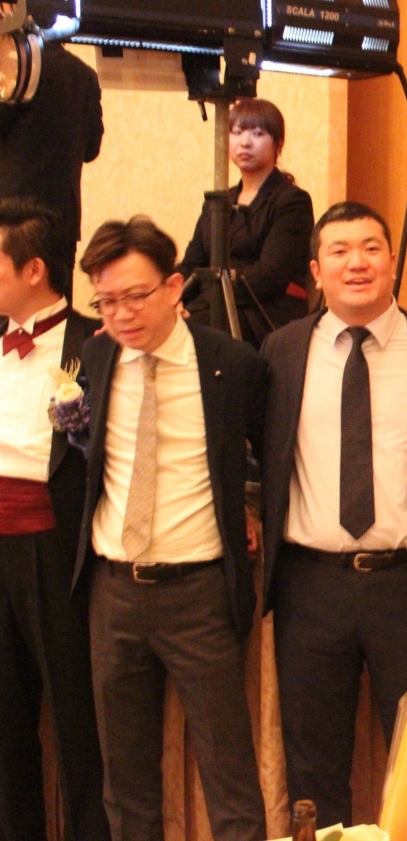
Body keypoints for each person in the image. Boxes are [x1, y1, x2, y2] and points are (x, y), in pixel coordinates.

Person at [259, 201, 407, 826]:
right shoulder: (282, 350)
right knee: (315, 768)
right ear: (316, 270)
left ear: (392, 262)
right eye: (339, 251)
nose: (356, 262)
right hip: (310, 586)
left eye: (371, 248)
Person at [74, 216, 267, 841]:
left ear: (175, 286)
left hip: (198, 593)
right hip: (113, 592)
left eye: (135, 295)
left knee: (228, 773)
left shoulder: (230, 363)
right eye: (106, 301)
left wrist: (251, 508)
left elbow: (271, 452)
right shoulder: (96, 357)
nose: (121, 314)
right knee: (126, 782)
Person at [0, 199, 108, 841]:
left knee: (75, 718)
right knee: (5, 719)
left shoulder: (95, 344)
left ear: (34, 269)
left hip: (53, 546)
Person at [180, 98, 314, 348]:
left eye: (258, 133)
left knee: (188, 333)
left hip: (264, 310)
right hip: (214, 302)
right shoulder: (217, 202)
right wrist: (172, 299)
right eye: (237, 132)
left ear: (278, 144)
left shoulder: (292, 200)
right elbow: (192, 263)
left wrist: (206, 299)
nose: (245, 142)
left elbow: (270, 275)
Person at [0, 40, 103, 295]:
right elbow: (91, 149)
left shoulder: (13, 67)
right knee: (55, 308)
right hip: (62, 218)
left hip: (10, 218)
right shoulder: (85, 75)